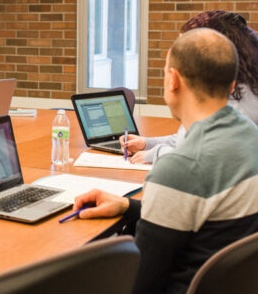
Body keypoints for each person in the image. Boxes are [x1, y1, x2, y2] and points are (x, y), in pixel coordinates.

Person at [73, 28, 258, 294]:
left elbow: (140, 284)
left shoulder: (180, 168)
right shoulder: (250, 135)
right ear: (231, 84)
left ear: (173, 80)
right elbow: (205, 218)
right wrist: (128, 206)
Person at [122, 10, 258, 163]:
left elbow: (201, 156)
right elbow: (187, 138)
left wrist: (156, 153)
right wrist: (146, 143)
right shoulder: (221, 91)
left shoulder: (235, 105)